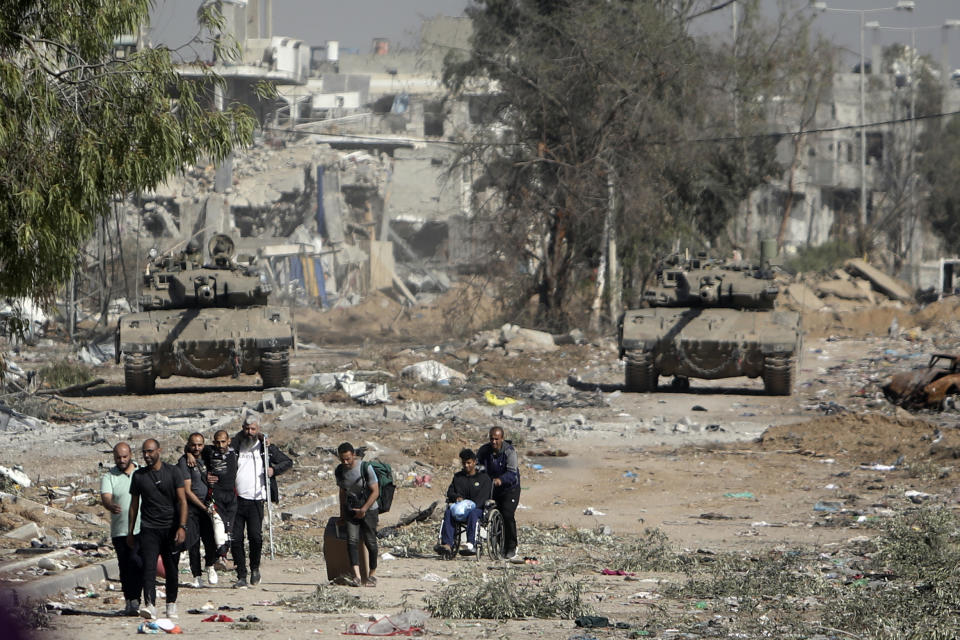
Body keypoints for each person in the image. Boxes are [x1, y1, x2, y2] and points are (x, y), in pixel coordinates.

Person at [230, 412, 292, 588]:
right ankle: (241, 574)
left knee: (255, 537)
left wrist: (273, 470)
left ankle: (255, 567)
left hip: (257, 499)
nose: (249, 432)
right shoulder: (236, 445)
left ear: (258, 429)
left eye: (253, 429)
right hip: (237, 499)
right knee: (236, 539)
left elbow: (287, 462)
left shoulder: (265, 448)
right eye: (246, 428)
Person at [128, 439, 188, 620]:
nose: (147, 456)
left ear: (159, 451)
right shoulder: (139, 476)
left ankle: (171, 604)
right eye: (144, 452)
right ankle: (150, 605)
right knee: (149, 568)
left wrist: (182, 526)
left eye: (150, 452)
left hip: (170, 528)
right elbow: (134, 505)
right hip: (149, 529)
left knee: (171, 568)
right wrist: (131, 531)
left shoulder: (173, 472)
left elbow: (182, 501)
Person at [99, 442, 142, 616]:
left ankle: (138, 599)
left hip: (141, 529)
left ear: (130, 454)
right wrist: (110, 505)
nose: (122, 460)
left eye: (125, 457)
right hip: (120, 530)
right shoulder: (109, 476)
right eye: (118, 457)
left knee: (138, 563)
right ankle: (129, 600)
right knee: (125, 567)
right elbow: (106, 497)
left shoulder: (142, 473)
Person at [177, 433, 219, 587]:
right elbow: (187, 490)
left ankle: (211, 566)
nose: (196, 448)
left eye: (199, 445)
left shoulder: (207, 456)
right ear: (189, 444)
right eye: (193, 445)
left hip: (209, 505)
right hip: (193, 508)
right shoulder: (184, 462)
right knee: (193, 542)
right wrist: (203, 507)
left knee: (211, 540)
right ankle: (197, 575)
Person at [335, 442, 380, 587]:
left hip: (369, 509)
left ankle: (372, 574)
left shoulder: (365, 468)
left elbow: (375, 491)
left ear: (353, 455)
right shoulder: (340, 471)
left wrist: (364, 510)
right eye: (342, 459)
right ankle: (357, 576)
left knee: (370, 542)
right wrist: (342, 514)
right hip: (351, 510)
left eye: (348, 458)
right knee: (351, 541)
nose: (345, 462)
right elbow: (342, 492)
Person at [476, 426, 521, 560]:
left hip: (509, 488)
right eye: (491, 439)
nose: (494, 442)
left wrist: (501, 480)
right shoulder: (484, 450)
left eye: (496, 439)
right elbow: (478, 466)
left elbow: (512, 473)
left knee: (507, 514)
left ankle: (512, 546)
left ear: (502, 439)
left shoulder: (509, 452)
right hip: (491, 487)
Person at [437, 448, 492, 556]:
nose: (466, 465)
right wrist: (457, 497)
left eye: (469, 463)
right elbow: (450, 492)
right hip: (460, 509)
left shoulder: (484, 478)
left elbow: (484, 497)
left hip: (477, 509)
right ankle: (447, 544)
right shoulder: (458, 477)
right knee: (448, 512)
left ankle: (471, 543)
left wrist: (471, 505)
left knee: (473, 513)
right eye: (464, 463)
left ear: (474, 462)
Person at [201, 429, 238, 562]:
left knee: (229, 527)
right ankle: (220, 555)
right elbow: (193, 449)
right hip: (215, 494)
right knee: (217, 522)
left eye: (223, 442)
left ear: (229, 441)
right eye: (217, 442)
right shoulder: (209, 451)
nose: (221, 445)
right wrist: (189, 455)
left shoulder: (235, 452)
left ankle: (224, 554)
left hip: (231, 495)